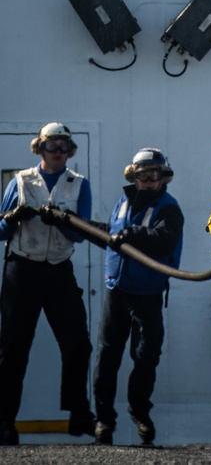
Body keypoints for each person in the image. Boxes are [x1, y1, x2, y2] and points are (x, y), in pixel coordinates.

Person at [0, 122, 96, 446]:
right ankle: (4, 422)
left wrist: (63, 221)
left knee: (78, 344)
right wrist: (11, 218)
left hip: (58, 269)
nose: (57, 152)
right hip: (21, 269)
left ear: (70, 152)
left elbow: (81, 233)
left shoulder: (78, 185)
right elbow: (0, 228)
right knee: (13, 349)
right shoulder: (21, 181)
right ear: (39, 149)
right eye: (51, 146)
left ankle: (79, 414)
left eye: (63, 147)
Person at [93, 148, 184, 446]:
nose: (146, 181)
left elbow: (163, 240)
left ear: (163, 177)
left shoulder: (169, 208)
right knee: (107, 356)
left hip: (147, 293)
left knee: (146, 356)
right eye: (141, 175)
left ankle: (140, 413)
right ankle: (104, 419)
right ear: (132, 176)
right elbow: (112, 236)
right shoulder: (123, 202)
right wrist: (72, 222)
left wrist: (131, 235)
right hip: (116, 290)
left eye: (152, 175)